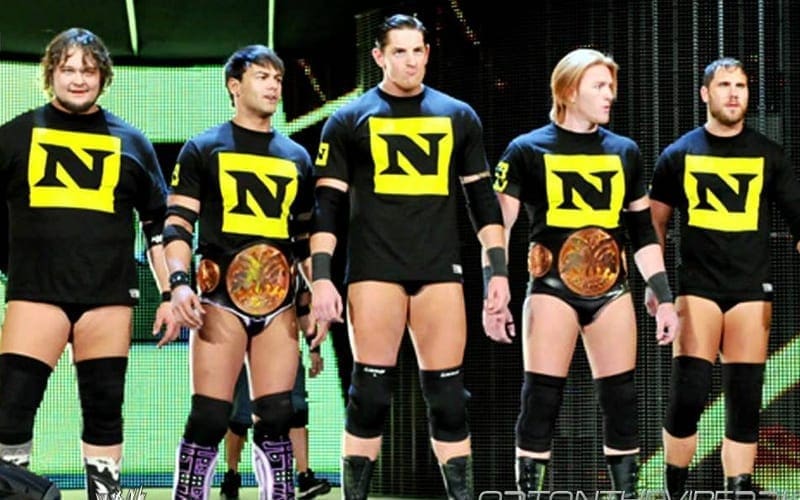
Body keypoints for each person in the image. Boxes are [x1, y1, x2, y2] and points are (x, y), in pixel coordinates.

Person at [310, 13, 510, 500]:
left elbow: (483, 203)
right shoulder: (348, 120)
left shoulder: (458, 116)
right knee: (370, 395)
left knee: (449, 398)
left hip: (439, 270)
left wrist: (498, 272)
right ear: (379, 56)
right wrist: (321, 278)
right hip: (375, 271)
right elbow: (327, 207)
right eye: (399, 51)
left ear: (427, 53)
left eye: (418, 50)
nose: (411, 60)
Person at [484, 48, 679, 497]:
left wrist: (664, 296)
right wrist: (495, 289)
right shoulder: (526, 149)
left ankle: (625, 494)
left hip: (612, 289)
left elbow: (643, 233)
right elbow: (498, 228)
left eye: (611, 86)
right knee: (541, 398)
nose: (610, 95)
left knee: (622, 400)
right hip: (551, 288)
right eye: (599, 86)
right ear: (569, 91)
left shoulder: (625, 151)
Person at [0, 27, 177, 499]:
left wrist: (170, 291)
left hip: (107, 301)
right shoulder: (15, 135)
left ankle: (106, 495)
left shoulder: (132, 142)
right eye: (68, 69)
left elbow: (157, 225)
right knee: (10, 410)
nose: (78, 79)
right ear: (50, 74)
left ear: (103, 77)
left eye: (88, 70)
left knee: (104, 411)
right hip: (36, 295)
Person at [165, 44, 323, 500]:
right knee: (211, 416)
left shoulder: (297, 157)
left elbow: (303, 241)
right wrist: (179, 284)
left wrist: (314, 301)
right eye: (262, 76)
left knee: (278, 415)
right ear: (234, 86)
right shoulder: (203, 148)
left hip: (280, 302)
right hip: (219, 299)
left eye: (278, 78)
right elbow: (178, 225)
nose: (273, 85)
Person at [649, 57, 800, 496]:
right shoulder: (679, 154)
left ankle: (738, 488)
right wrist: (656, 286)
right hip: (697, 289)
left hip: (751, 290)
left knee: (745, 398)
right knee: (689, 395)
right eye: (724, 85)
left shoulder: (769, 154)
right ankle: (674, 488)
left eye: (741, 86)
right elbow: (655, 224)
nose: (734, 93)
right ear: (705, 94)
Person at [218, 287, 331, 500]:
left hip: (286, 344)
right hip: (246, 346)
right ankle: (231, 475)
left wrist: (314, 348)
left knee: (297, 409)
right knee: (241, 416)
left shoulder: (298, 271)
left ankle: (304, 476)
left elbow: (303, 308)